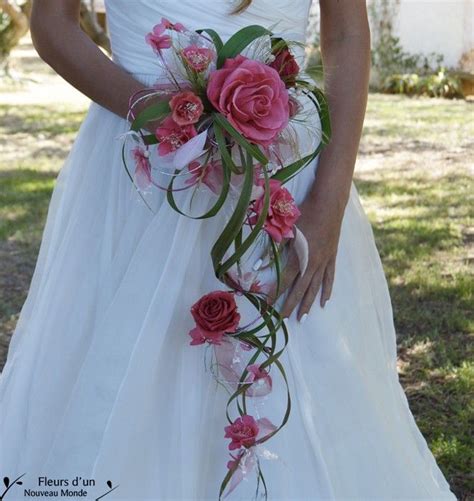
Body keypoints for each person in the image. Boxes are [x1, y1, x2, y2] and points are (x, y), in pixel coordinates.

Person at [0, 1, 456, 500]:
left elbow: (346, 32)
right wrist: (155, 112)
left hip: (284, 179)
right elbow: (50, 24)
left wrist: (330, 201)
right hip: (140, 176)